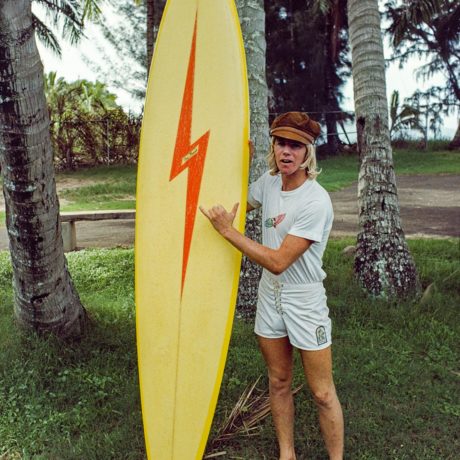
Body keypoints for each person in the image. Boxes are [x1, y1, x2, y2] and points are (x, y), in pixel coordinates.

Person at [199, 111, 344, 460]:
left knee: (322, 392)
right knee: (278, 381)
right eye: (281, 143)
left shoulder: (315, 200)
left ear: (308, 152)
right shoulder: (268, 183)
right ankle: (286, 454)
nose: (286, 152)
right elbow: (233, 203)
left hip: (304, 298)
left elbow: (279, 261)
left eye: (295, 145)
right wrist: (237, 163)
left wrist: (228, 233)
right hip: (270, 296)